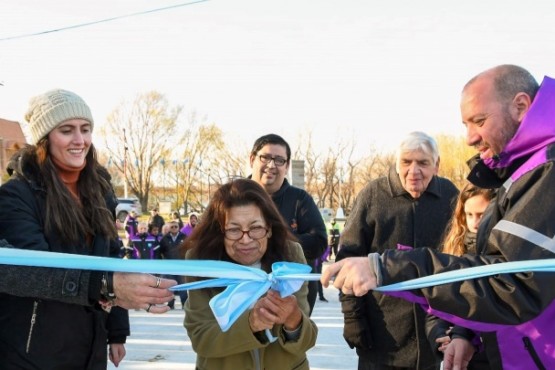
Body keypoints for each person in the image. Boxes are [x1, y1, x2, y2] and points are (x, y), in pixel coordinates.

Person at [322, 65, 555, 370]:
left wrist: (391, 268)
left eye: (479, 121)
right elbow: (492, 267)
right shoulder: (374, 195)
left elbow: (510, 282)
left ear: (521, 106)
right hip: (390, 341)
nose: (470, 138)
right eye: (465, 124)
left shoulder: (546, 170)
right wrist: (466, 332)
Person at [0, 88, 176, 369]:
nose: (79, 140)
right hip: (33, 348)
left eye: (86, 129)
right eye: (67, 130)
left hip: (90, 340)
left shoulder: (100, 190)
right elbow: (33, 271)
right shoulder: (15, 196)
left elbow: (112, 256)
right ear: (44, 138)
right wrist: (107, 286)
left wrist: (116, 331)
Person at [335, 130, 459, 370]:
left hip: (431, 330)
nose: (413, 171)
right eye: (406, 162)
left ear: (437, 165)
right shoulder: (373, 195)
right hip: (380, 331)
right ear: (396, 162)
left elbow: (462, 255)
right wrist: (353, 318)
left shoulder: (450, 196)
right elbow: (348, 260)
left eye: (423, 163)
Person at [183, 178, 318, 370]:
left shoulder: (291, 256)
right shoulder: (200, 262)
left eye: (255, 228)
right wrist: (251, 325)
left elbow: (305, 342)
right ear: (220, 231)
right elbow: (201, 338)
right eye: (234, 230)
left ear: (269, 228)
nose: (245, 240)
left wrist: (294, 320)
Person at [249, 133, 328, 316]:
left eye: (279, 160)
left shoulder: (300, 200)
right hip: (241, 295)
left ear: (287, 165)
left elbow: (318, 242)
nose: (271, 165)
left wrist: (275, 240)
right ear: (252, 159)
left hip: (290, 297)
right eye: (265, 157)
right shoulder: (233, 197)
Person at [425, 182, 495, 369]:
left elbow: (491, 303)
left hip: (494, 356)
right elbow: (435, 305)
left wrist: (463, 333)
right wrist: (439, 335)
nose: (474, 222)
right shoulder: (454, 251)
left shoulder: (502, 253)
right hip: (458, 355)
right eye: (469, 215)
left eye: (481, 215)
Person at [159, 220, 188, 309]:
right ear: (169, 228)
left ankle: (185, 304)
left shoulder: (184, 237)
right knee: (170, 286)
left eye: (176, 226)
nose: (174, 228)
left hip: (181, 266)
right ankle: (171, 304)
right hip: (169, 266)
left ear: (179, 227)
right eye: (172, 227)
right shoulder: (165, 238)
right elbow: (160, 252)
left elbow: (189, 250)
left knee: (182, 286)